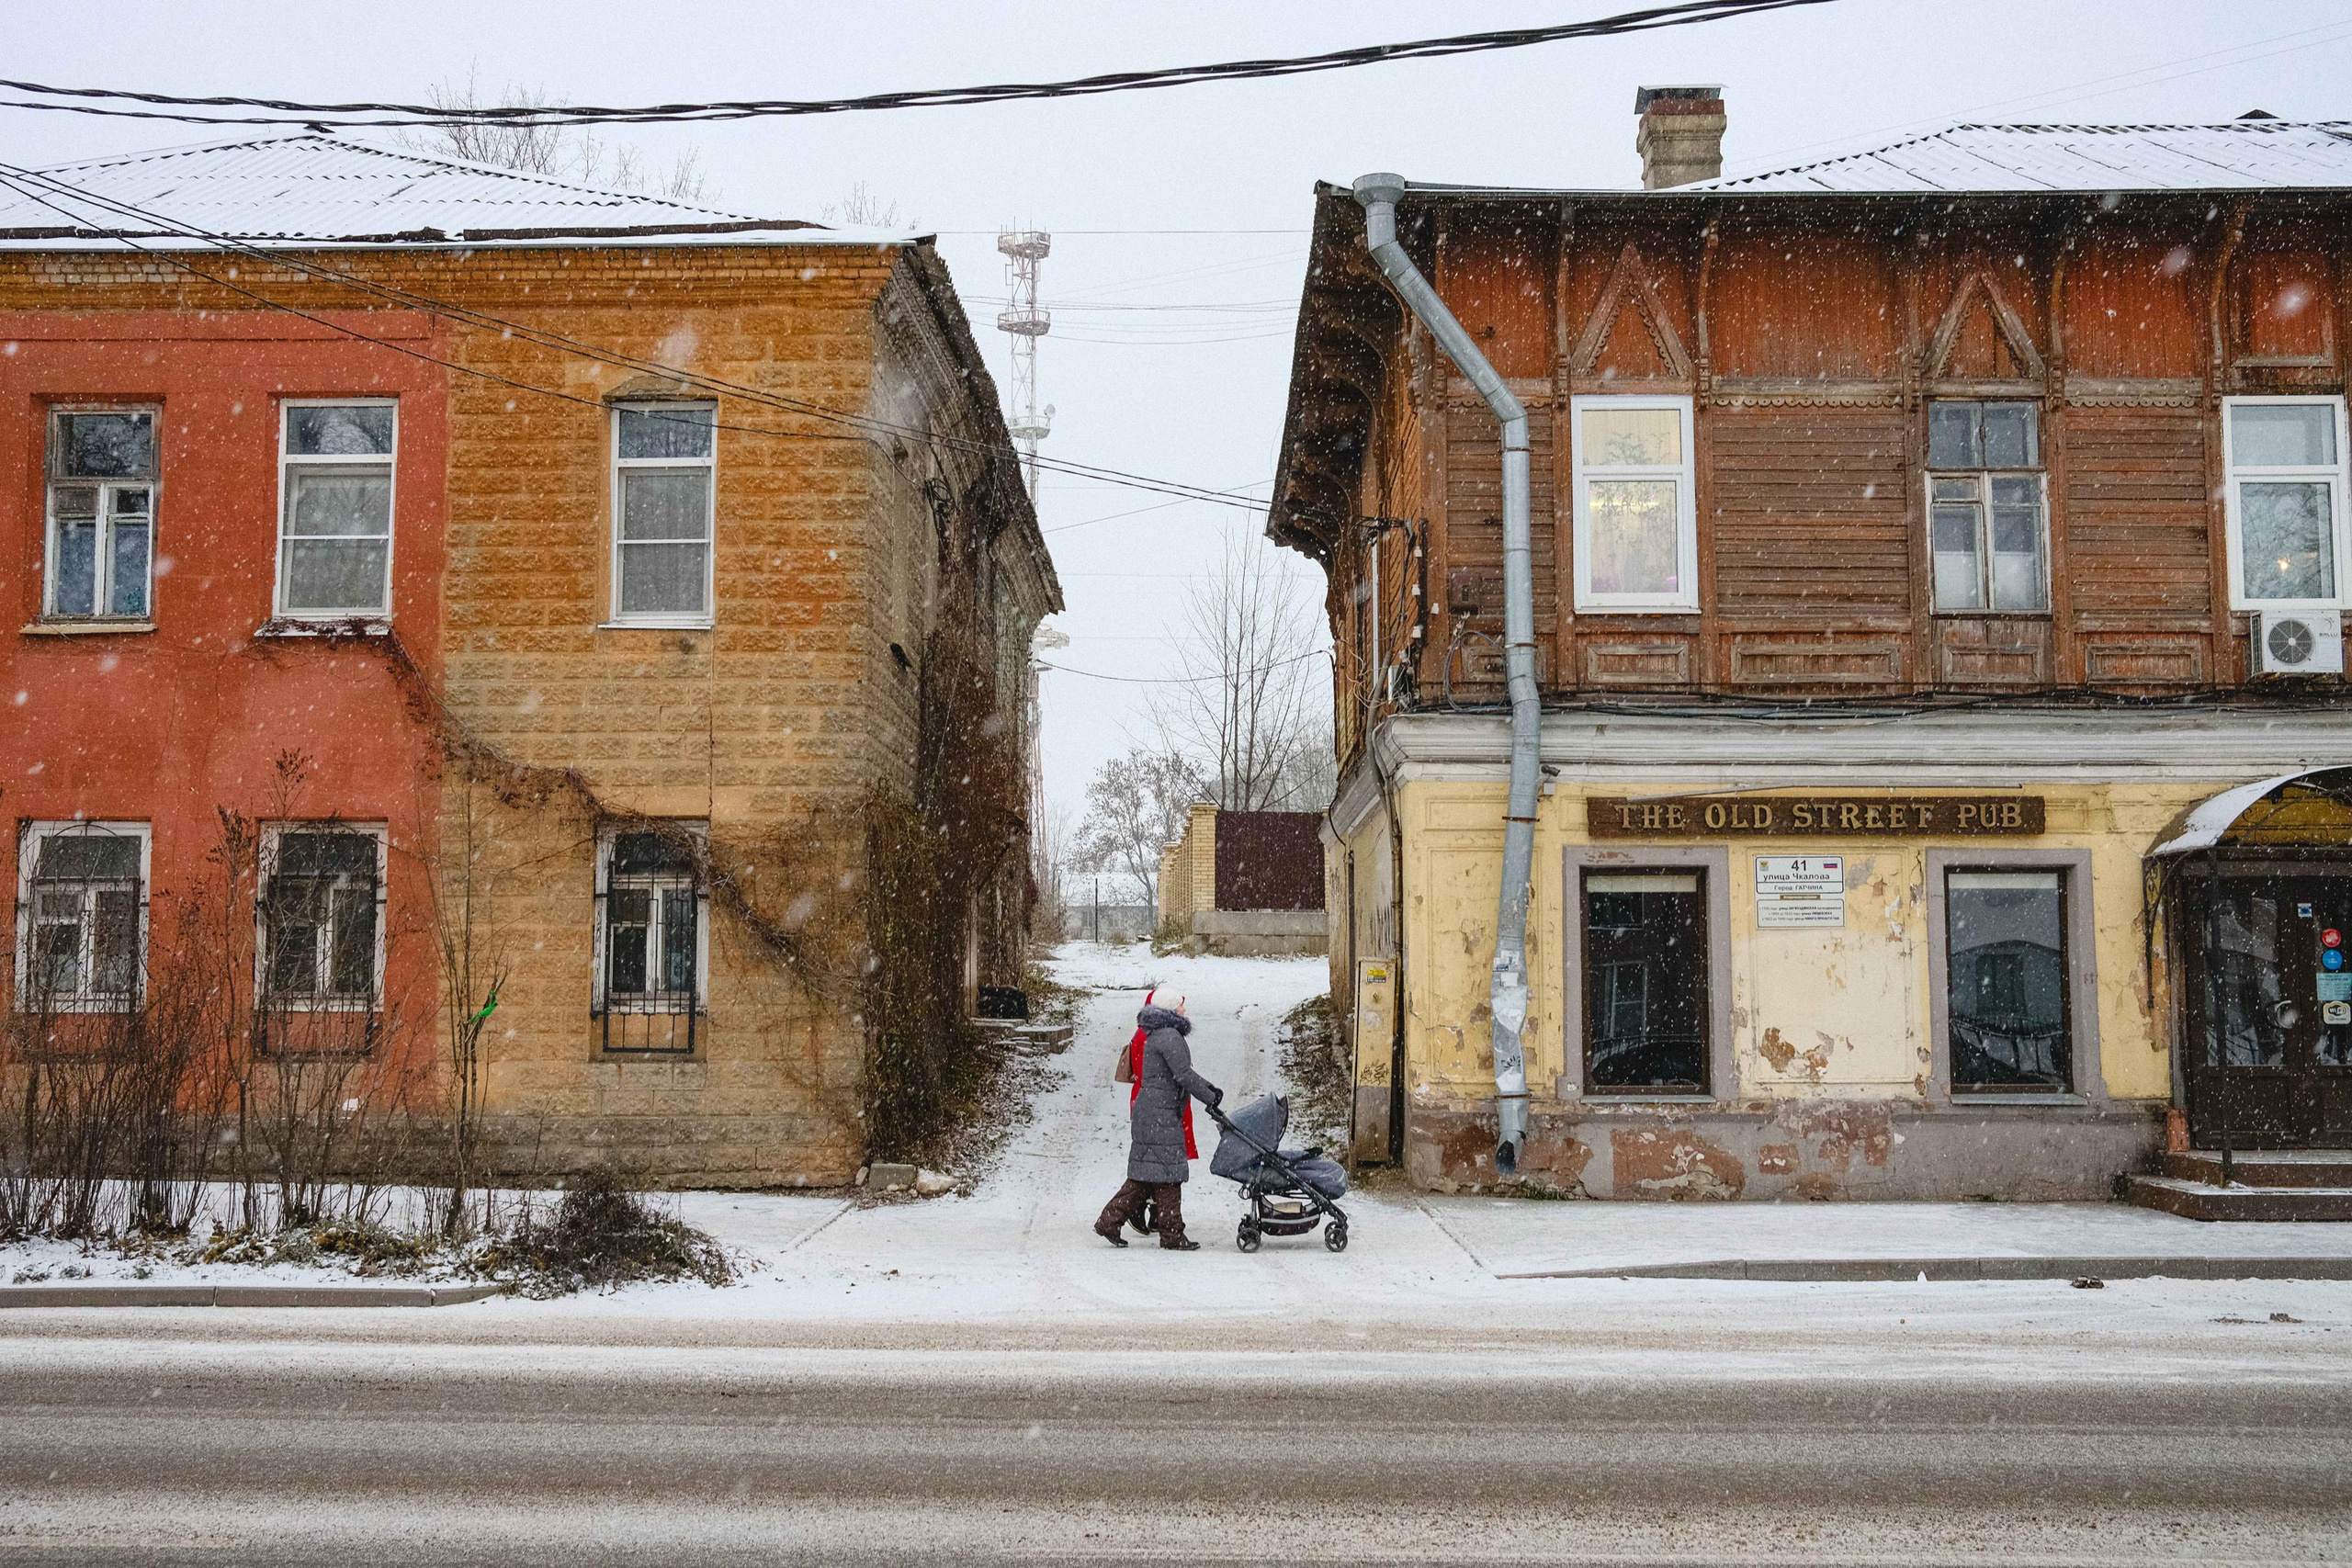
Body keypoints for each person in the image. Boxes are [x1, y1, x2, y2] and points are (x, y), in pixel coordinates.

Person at [1094, 993, 1222, 1251]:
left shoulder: (1161, 1034)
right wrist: (1210, 1095)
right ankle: (1171, 1234)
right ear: (1170, 1009)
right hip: (1159, 1113)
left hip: (1154, 1111)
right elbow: (1183, 1074)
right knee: (1169, 1174)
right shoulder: (1169, 1035)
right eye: (1180, 1004)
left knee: (1148, 1175)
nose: (1184, 1008)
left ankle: (1111, 1221)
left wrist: (1208, 1091)